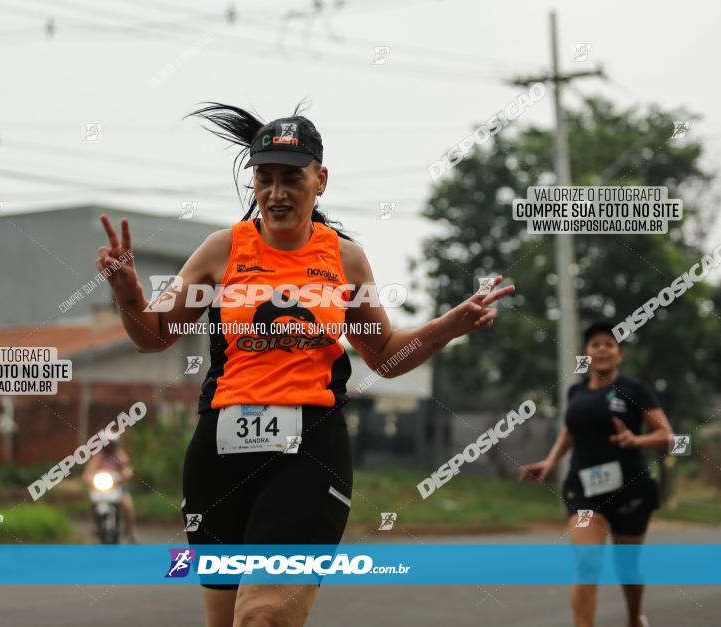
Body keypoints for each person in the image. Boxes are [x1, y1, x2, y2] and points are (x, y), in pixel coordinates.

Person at [97, 101, 515, 627]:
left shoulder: (343, 258)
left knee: (262, 618)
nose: (276, 193)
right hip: (219, 456)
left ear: (320, 180)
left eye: (290, 179)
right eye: (264, 179)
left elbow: (384, 356)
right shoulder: (221, 251)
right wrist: (128, 295)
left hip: (309, 454)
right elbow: (154, 338)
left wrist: (448, 326)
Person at [519, 321, 675, 627]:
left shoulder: (635, 390)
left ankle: (633, 617)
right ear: (585, 355)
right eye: (595, 344)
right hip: (584, 489)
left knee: (627, 569)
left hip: (630, 489)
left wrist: (636, 440)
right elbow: (570, 432)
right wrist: (550, 462)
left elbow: (667, 435)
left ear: (620, 354)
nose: (602, 348)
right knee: (588, 562)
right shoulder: (576, 391)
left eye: (609, 344)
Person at [82, 437, 137, 543]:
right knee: (91, 502)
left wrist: (125, 474)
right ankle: (93, 524)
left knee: (128, 505)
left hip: (117, 486)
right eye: (107, 444)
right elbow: (88, 471)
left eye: (111, 444)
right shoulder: (98, 457)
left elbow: (127, 468)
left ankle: (131, 532)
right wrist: (87, 477)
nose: (109, 446)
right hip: (100, 487)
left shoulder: (120, 455)